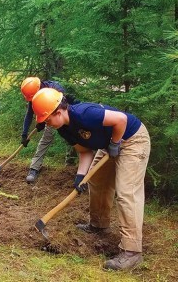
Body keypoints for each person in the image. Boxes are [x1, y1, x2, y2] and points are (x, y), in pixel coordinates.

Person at [31, 88, 151, 271]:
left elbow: (121, 120)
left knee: (127, 191)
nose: (47, 124)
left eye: (48, 119)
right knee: (97, 181)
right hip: (109, 144)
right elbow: (84, 151)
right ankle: (99, 224)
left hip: (131, 139)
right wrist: (80, 176)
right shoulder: (63, 129)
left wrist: (115, 143)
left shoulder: (84, 113)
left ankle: (132, 252)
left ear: (59, 111)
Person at [20, 77, 78, 183]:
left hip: (62, 117)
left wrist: (42, 122)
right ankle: (34, 168)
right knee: (46, 140)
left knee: (72, 139)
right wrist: (24, 133)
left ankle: (70, 166)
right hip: (49, 120)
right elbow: (29, 113)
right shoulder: (35, 96)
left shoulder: (56, 89)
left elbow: (59, 108)